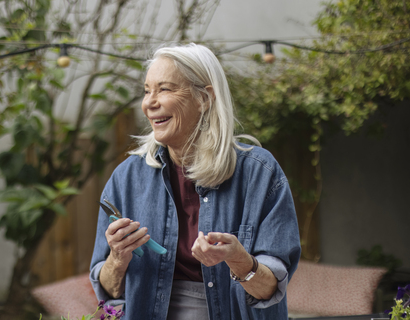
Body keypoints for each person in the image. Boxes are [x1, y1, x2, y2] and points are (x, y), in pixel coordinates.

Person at [89, 43, 301, 320]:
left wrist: (238, 259)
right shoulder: (127, 178)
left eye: (164, 89)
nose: (149, 102)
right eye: (146, 90)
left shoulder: (259, 173)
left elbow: (270, 288)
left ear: (204, 98)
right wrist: (118, 257)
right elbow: (107, 291)